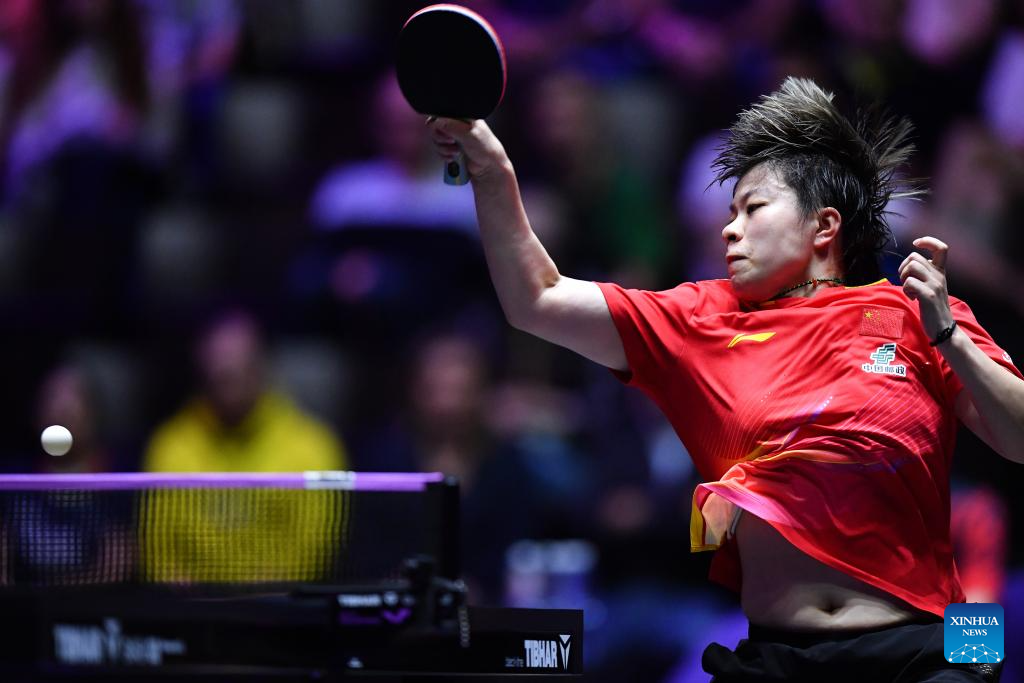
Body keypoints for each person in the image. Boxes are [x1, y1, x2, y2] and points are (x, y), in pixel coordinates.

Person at [427, 77, 1023, 681]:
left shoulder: (915, 313)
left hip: (921, 652)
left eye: (752, 209)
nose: (728, 229)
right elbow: (538, 298)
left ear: (823, 226)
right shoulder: (700, 319)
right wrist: (493, 168)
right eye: (729, 212)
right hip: (779, 657)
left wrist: (949, 334)